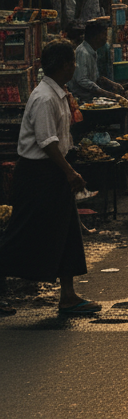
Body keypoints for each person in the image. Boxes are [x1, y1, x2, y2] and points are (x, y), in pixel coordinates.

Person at [0, 41, 98, 317]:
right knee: (21, 234)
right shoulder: (44, 97)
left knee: (67, 234)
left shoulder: (58, 93)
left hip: (53, 173)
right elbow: (47, 142)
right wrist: (70, 172)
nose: (74, 67)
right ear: (65, 65)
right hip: (38, 175)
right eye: (72, 63)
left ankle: (68, 296)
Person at [68, 23, 123, 102]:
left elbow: (96, 77)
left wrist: (112, 84)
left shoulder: (92, 51)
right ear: (96, 36)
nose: (106, 38)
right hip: (80, 99)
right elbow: (82, 80)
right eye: (104, 35)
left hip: (89, 98)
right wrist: (110, 94)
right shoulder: (83, 52)